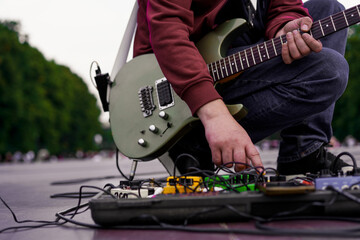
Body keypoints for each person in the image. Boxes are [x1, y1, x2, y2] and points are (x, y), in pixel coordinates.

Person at [133, 0, 350, 175]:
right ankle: (194, 143)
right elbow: (167, 27)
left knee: (329, 9)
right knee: (330, 70)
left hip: (239, 53)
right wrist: (215, 116)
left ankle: (302, 154)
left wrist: (285, 26)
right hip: (175, 79)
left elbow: (284, 7)